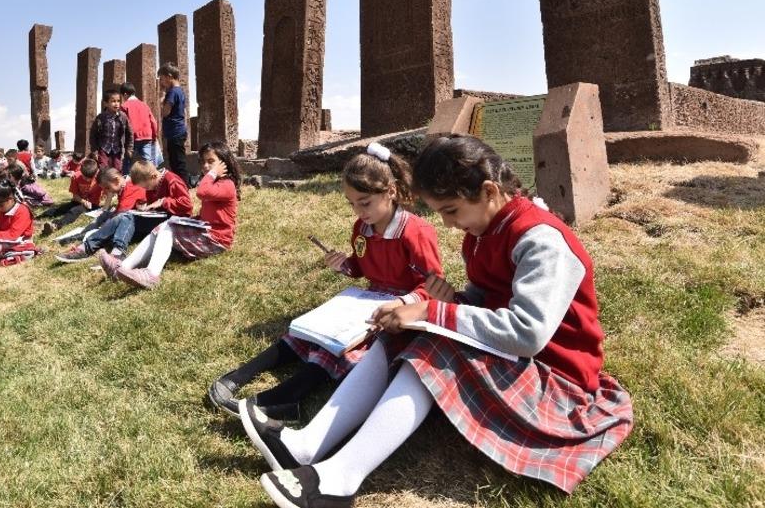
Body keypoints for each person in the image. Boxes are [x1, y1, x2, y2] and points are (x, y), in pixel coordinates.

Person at [239, 135, 635, 505]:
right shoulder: (482, 233)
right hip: (520, 363)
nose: (447, 224)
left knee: (434, 342)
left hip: (558, 382)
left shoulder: (541, 240)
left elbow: (527, 333)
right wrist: (453, 303)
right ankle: (305, 446)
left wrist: (435, 310)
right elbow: (486, 301)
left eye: (451, 210)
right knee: (404, 331)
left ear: (489, 192)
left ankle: (339, 480)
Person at [209, 143, 443, 419]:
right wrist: (345, 265)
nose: (358, 211)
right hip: (366, 301)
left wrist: (402, 303)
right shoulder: (362, 228)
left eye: (365, 203)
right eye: (352, 204)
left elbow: (432, 286)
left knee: (335, 348)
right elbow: (361, 266)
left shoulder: (416, 231)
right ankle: (241, 374)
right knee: (307, 333)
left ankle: (285, 399)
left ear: (390, 191)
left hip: (399, 313)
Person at [99, 141, 242, 291]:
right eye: (203, 162)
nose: (206, 166)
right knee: (162, 227)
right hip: (206, 232)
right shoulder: (215, 183)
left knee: (170, 227)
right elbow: (209, 214)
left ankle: (151, 274)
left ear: (223, 163)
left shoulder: (227, 184)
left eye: (211, 162)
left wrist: (212, 174)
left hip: (217, 240)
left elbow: (201, 192)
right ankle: (121, 267)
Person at [53, 167, 143, 256]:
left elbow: (121, 213)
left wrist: (106, 225)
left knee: (111, 221)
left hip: (132, 224)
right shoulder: (122, 186)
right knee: (105, 215)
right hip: (129, 220)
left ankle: (86, 240)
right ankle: (84, 233)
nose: (106, 191)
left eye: (107, 188)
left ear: (116, 180)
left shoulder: (130, 188)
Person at [39, 158, 102, 236]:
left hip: (92, 205)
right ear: (81, 171)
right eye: (85, 177)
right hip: (78, 200)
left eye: (90, 178)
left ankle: (56, 225)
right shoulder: (76, 176)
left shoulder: (100, 178)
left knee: (74, 211)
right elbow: (75, 196)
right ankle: (37, 217)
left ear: (95, 173)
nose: (87, 180)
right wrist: (83, 201)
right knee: (62, 208)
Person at [157, 63, 189, 183]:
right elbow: (183, 112)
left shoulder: (172, 92)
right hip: (179, 130)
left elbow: (166, 112)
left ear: (169, 76)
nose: (161, 82)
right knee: (178, 161)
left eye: (162, 78)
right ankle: (181, 185)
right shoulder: (180, 91)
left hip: (174, 132)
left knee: (177, 163)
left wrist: (161, 99)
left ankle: (183, 186)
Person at [89, 89, 133, 172]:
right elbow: (93, 135)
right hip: (103, 148)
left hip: (117, 149)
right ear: (105, 103)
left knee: (117, 169)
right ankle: (103, 184)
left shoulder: (123, 117)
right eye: (113, 101)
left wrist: (129, 148)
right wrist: (94, 150)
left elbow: (129, 133)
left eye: (118, 101)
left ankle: (116, 184)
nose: (116, 104)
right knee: (103, 169)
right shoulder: (101, 118)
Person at [120, 82, 158, 168]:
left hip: (132, 139)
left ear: (125, 94)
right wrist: (154, 137)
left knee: (127, 163)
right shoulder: (144, 105)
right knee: (148, 164)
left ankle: (127, 179)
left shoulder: (124, 106)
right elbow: (153, 122)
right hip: (147, 137)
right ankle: (150, 179)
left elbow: (122, 124)